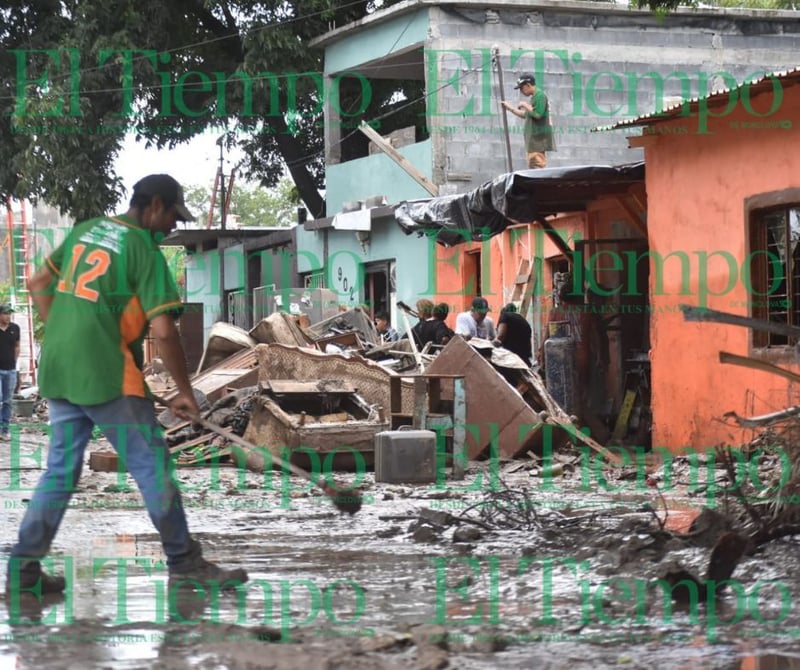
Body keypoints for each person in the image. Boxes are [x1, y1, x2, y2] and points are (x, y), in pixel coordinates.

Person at [5, 174, 248, 598]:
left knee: (60, 472)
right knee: (151, 466)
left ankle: (23, 572)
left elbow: (38, 284)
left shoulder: (86, 231)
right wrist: (186, 393)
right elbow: (166, 332)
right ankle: (185, 562)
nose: (172, 227)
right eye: (172, 216)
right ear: (154, 204)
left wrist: (68, 329)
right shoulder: (144, 250)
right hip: (108, 373)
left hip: (59, 366)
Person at [501, 72, 556, 169]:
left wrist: (524, 105)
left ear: (528, 85)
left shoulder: (540, 96)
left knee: (537, 167)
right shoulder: (535, 97)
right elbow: (527, 115)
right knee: (533, 166)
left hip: (537, 141)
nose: (521, 91)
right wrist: (510, 108)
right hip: (533, 142)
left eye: (522, 88)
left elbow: (538, 115)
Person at [0, 305, 20, 438]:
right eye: (5, 313)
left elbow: (17, 346)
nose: (8, 316)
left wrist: (14, 362)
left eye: (10, 314)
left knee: (7, 401)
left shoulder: (14, 328)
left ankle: (4, 430)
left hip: (10, 369)